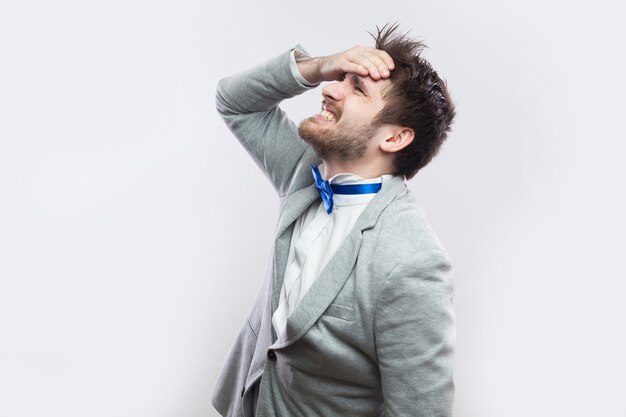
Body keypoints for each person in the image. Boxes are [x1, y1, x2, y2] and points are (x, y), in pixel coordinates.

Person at [211, 23, 456, 417]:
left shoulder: (414, 261)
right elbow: (233, 101)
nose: (330, 89)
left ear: (394, 138)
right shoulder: (303, 170)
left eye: (357, 88)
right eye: (340, 78)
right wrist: (320, 66)